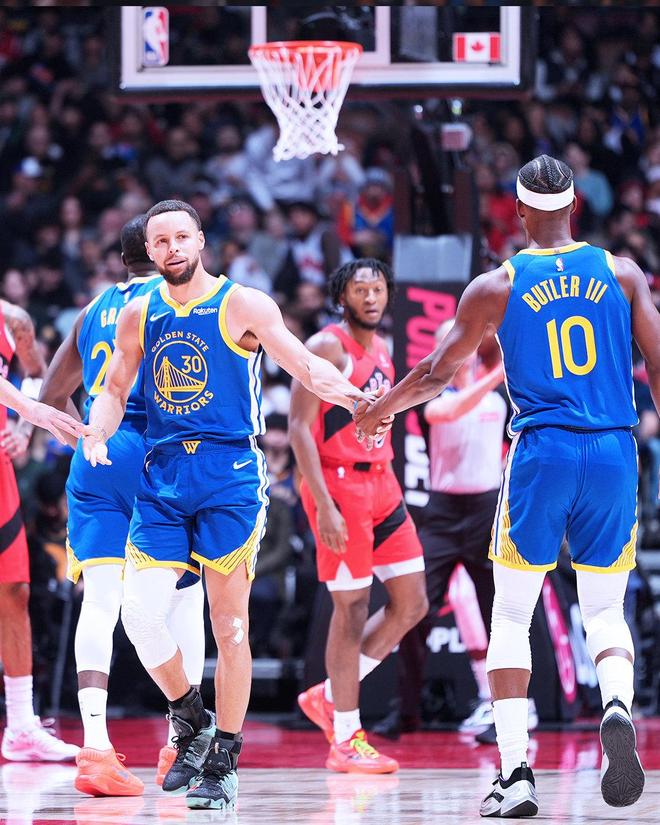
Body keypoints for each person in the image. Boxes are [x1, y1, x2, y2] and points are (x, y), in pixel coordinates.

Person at [355, 155, 659, 817]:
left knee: (512, 614)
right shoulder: (623, 273)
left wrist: (381, 409)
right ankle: (616, 703)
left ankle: (517, 773)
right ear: (575, 206)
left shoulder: (498, 284)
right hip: (613, 449)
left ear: (518, 211)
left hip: (542, 452)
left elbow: (436, 372)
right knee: (606, 609)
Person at [80, 200, 378, 811]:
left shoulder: (243, 304)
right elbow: (113, 388)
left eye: (181, 237)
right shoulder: (138, 312)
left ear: (200, 241)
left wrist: (356, 399)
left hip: (229, 476)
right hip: (163, 474)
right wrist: (97, 431)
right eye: (161, 241)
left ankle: (224, 761)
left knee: (229, 626)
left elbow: (304, 365)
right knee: (139, 616)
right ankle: (192, 717)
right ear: (149, 251)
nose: (172, 249)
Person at [40, 215, 206, 796]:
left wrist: (88, 440)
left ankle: (95, 749)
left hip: (97, 450)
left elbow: (50, 395)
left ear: (120, 258)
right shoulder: (174, 301)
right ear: (157, 252)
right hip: (157, 454)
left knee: (100, 601)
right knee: (183, 597)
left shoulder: (92, 310)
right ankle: (180, 744)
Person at [289, 259, 428, 774]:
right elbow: (299, 428)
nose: (371, 297)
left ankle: (329, 696)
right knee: (350, 610)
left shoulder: (384, 348)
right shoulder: (327, 346)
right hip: (340, 485)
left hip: (384, 483)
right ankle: (345, 737)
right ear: (341, 296)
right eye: (359, 289)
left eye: (378, 288)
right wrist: (322, 503)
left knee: (412, 602)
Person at [373, 320, 513, 739]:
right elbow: (450, 412)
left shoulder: (499, 400)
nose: (460, 352)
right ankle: (405, 712)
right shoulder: (435, 397)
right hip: (443, 514)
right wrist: (497, 373)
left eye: (465, 344)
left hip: (486, 510)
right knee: (416, 610)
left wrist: (496, 374)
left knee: (499, 613)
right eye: (451, 346)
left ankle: (508, 711)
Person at [0, 299, 82, 762]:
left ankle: (20, 726)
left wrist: (21, 428)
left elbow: (35, 373)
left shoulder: (14, 320)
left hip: (1, 474)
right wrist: (30, 412)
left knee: (15, 592)